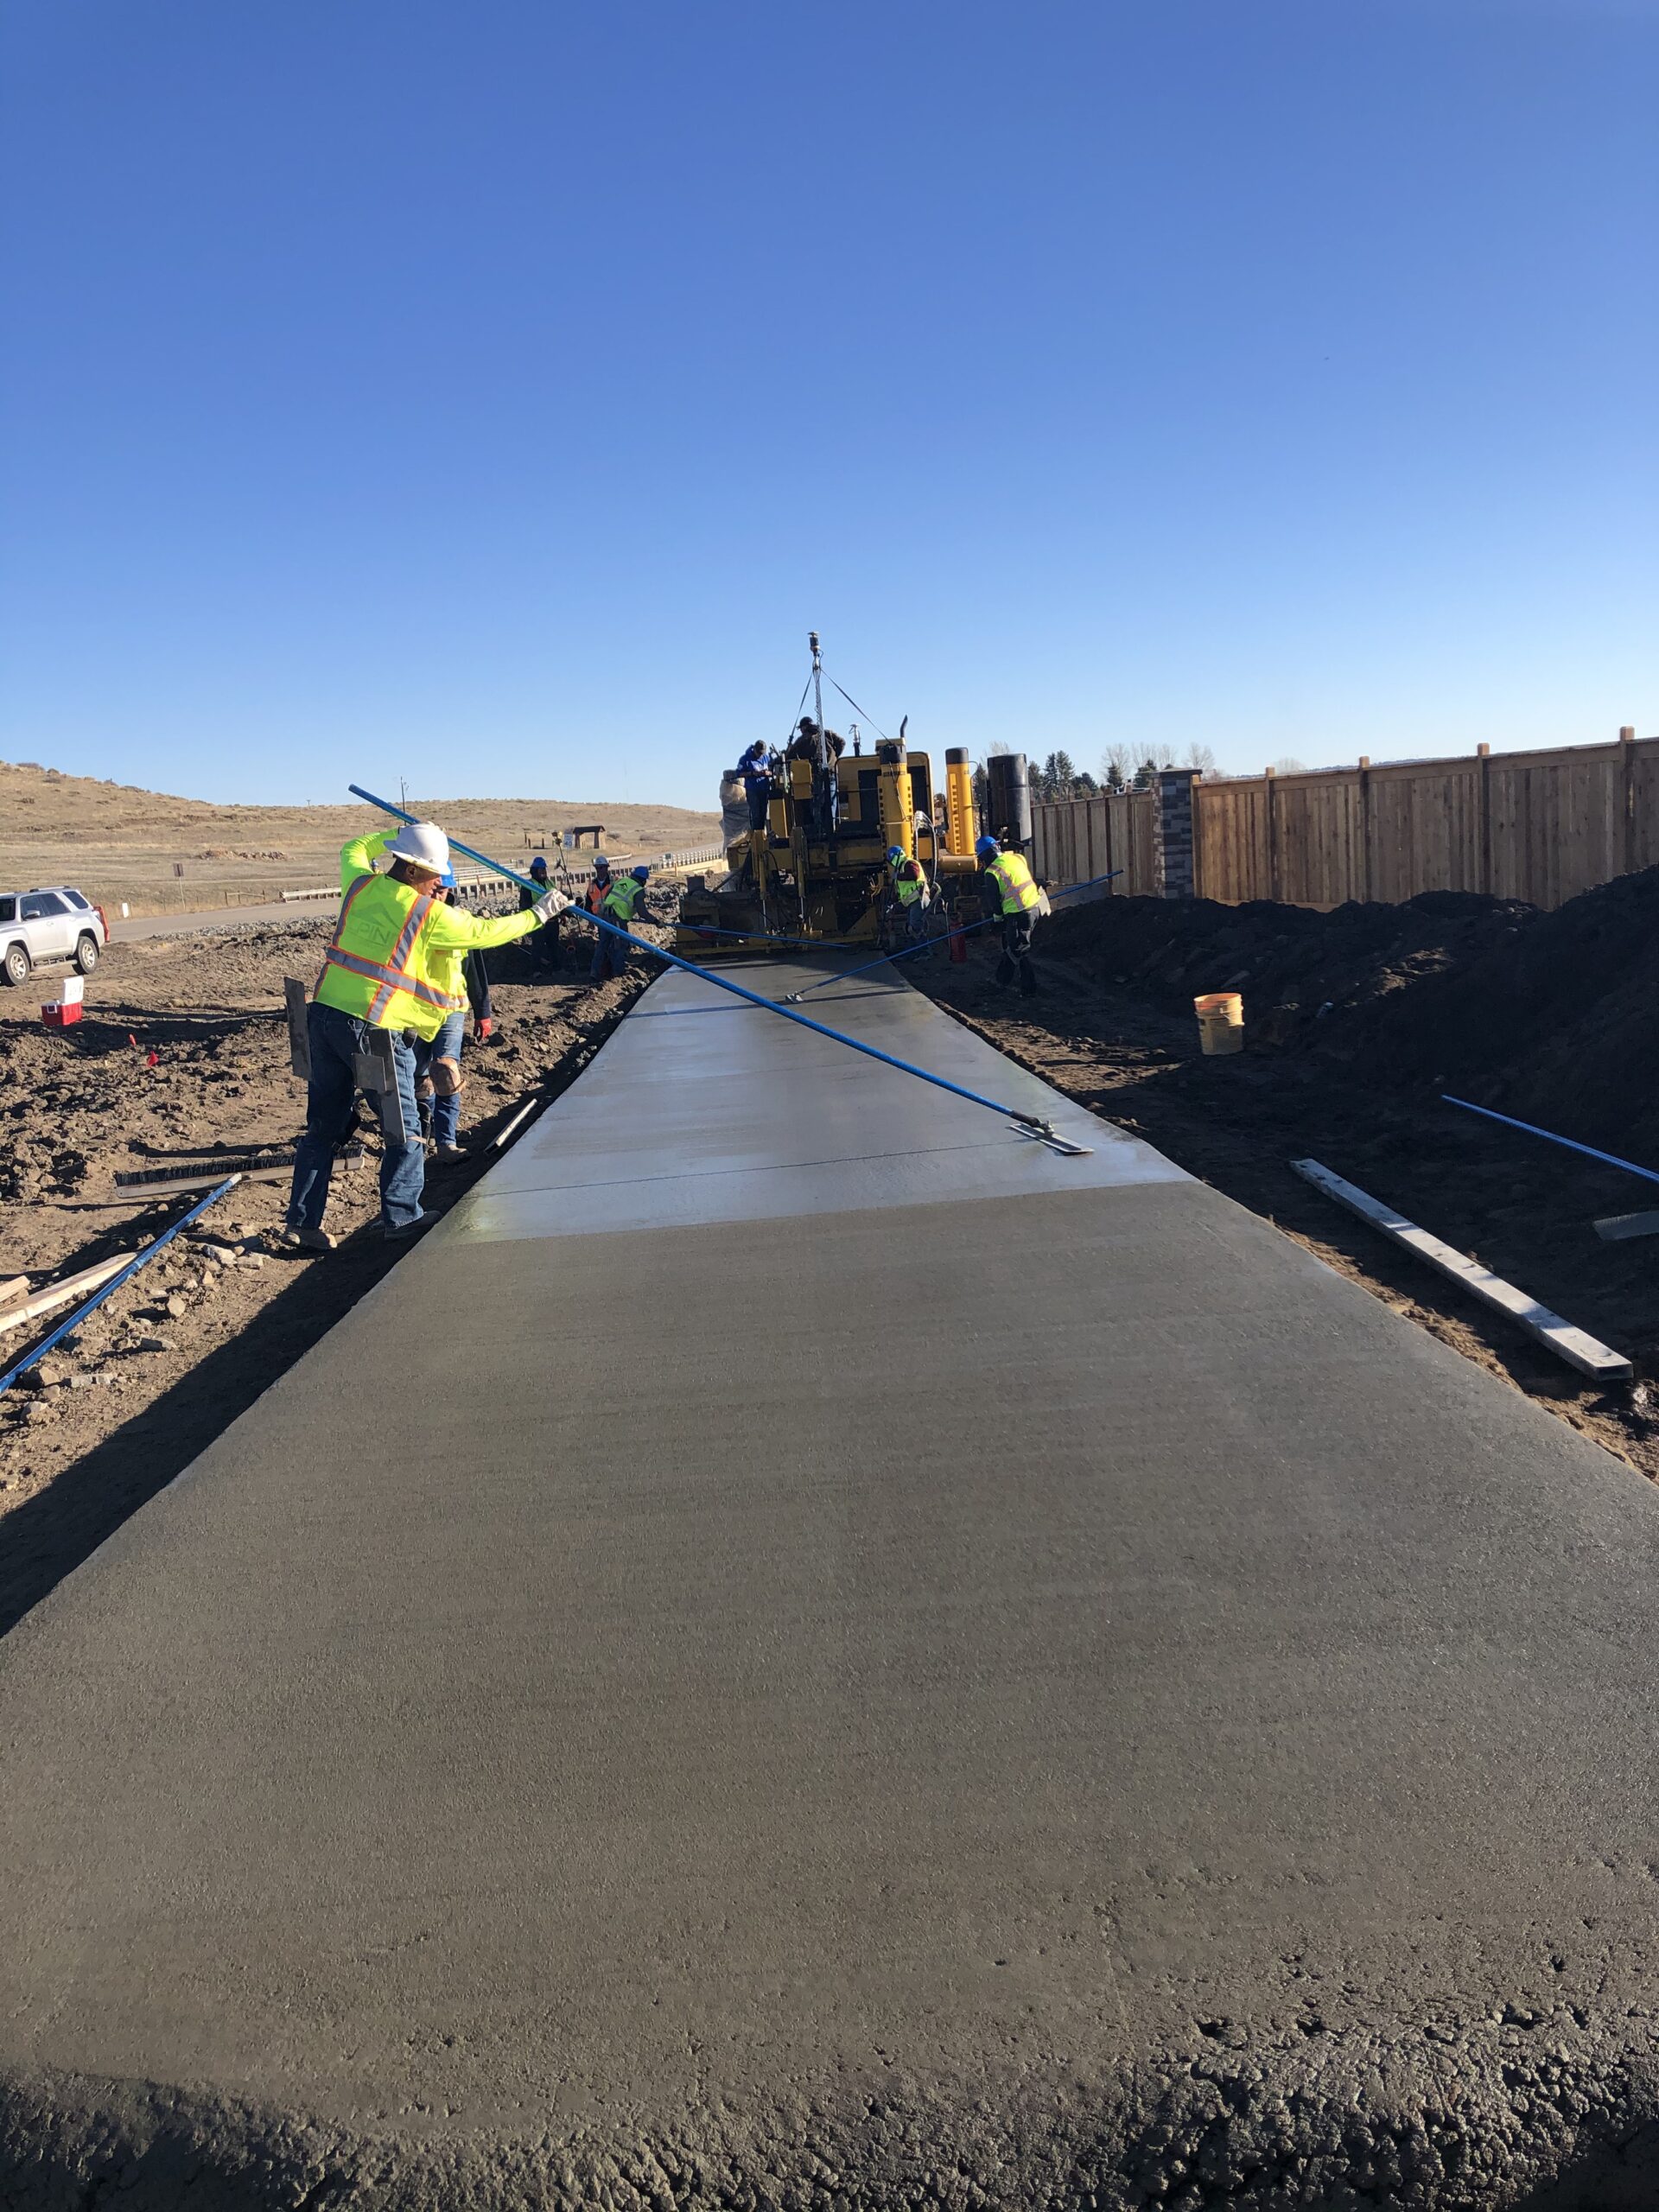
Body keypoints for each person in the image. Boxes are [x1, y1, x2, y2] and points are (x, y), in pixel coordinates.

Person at [283, 820, 567, 1248]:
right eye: (435, 872)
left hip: (323, 1019)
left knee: (321, 1128)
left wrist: (395, 835)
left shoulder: (360, 885)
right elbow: (486, 933)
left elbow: (352, 847)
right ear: (413, 871)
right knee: (405, 1127)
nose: (439, 881)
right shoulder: (426, 914)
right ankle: (402, 1217)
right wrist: (540, 913)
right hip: (372, 1027)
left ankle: (302, 1225)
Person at [413, 873, 496, 1165]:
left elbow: (474, 969)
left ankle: (446, 1142)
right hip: (415, 1011)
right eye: (434, 889)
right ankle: (420, 1139)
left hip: (451, 1010)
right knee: (419, 1080)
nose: (437, 896)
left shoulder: (460, 921)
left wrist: (482, 1011)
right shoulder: (411, 918)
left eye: (443, 890)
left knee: (446, 1073)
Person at [976, 833, 1042, 996]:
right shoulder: (1018, 858)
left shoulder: (992, 872)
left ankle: (1026, 988)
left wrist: (997, 919)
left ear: (985, 855)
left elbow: (994, 901)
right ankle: (1003, 980)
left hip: (1019, 914)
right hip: (1035, 907)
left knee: (1018, 950)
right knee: (1015, 947)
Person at [590, 862, 650, 984]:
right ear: (643, 880)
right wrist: (656, 921)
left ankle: (594, 972)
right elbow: (643, 912)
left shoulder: (620, 881)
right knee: (620, 945)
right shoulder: (638, 890)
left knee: (603, 945)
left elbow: (608, 895)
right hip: (616, 919)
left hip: (605, 916)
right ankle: (618, 973)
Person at [887, 843, 935, 960]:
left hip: (919, 898)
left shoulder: (909, 863)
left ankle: (925, 952)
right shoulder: (902, 867)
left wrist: (898, 876)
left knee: (916, 926)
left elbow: (914, 875)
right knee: (909, 927)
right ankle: (913, 952)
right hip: (912, 901)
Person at [518, 854, 562, 971]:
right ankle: (536, 971)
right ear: (534, 871)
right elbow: (525, 906)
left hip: (553, 922)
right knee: (537, 948)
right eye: (540, 869)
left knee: (554, 948)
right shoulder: (528, 886)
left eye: (544, 869)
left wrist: (562, 915)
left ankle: (556, 969)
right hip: (539, 923)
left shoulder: (550, 884)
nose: (543, 871)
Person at [735, 741, 773, 834]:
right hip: (752, 790)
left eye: (762, 753)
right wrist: (753, 773)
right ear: (754, 750)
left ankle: (762, 835)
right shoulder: (745, 759)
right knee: (756, 814)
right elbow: (739, 773)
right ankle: (756, 836)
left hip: (764, 789)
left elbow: (773, 770)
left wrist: (768, 773)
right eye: (759, 753)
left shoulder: (766, 758)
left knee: (763, 814)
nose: (760, 755)